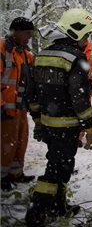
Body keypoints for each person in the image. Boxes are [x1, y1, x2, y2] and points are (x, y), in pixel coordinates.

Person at [25, 8, 92, 226]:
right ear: (76, 33)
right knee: (56, 169)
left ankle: (58, 206)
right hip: (66, 126)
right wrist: (91, 127)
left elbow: (32, 93)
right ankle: (36, 214)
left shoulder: (43, 55)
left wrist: (39, 120)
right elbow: (79, 99)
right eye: (86, 35)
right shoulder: (75, 58)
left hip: (48, 123)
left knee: (59, 163)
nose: (87, 40)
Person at [1, 17, 35, 191]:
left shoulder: (26, 54)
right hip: (5, 108)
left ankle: (16, 173)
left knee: (21, 141)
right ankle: (2, 177)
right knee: (6, 144)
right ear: (16, 31)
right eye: (27, 33)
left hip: (20, 107)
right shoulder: (2, 49)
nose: (29, 36)